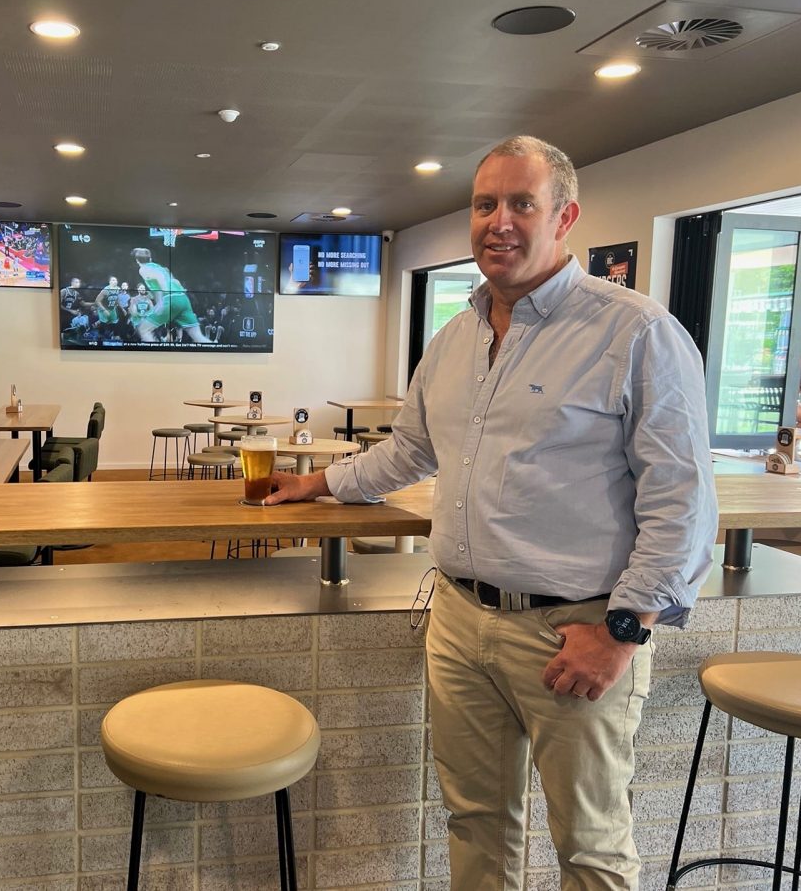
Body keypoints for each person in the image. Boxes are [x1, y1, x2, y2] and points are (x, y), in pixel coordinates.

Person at [266, 135, 718, 890]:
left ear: (564, 216)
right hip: (459, 622)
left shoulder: (636, 332)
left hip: (575, 629)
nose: (498, 221)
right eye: (484, 204)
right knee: (475, 821)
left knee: (592, 846)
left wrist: (624, 631)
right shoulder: (454, 336)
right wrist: (320, 483)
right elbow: (409, 451)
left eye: (521, 203)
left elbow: (681, 500)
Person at [130, 247, 212, 344]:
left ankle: (156, 357)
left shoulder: (143, 269)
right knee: (198, 337)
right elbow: (175, 281)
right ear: (150, 258)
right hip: (183, 298)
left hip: (170, 299)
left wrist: (160, 302)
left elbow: (160, 281)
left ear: (137, 260)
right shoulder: (162, 268)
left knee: (143, 329)